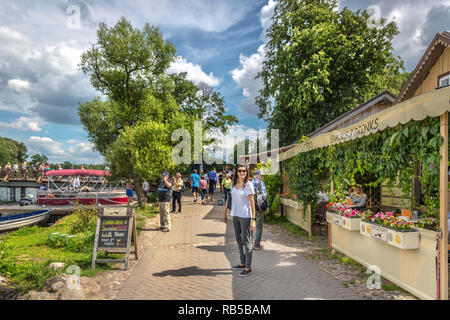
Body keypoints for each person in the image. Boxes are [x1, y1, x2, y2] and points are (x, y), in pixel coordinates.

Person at [223, 165, 256, 277]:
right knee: (238, 239)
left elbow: (252, 203)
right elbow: (229, 198)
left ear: (246, 172)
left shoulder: (248, 185)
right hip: (235, 215)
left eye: (244, 171)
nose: (242, 172)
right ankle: (242, 263)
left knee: (247, 241)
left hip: (245, 216)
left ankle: (248, 267)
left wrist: (253, 219)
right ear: (236, 172)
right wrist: (224, 212)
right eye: (240, 170)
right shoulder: (233, 184)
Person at [252, 169, 269, 251]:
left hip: (251, 207)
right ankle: (257, 245)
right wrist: (267, 206)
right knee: (259, 227)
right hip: (259, 207)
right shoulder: (261, 183)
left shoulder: (249, 183)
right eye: (261, 175)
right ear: (257, 175)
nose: (262, 176)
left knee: (250, 225)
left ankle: (248, 244)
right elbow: (264, 196)